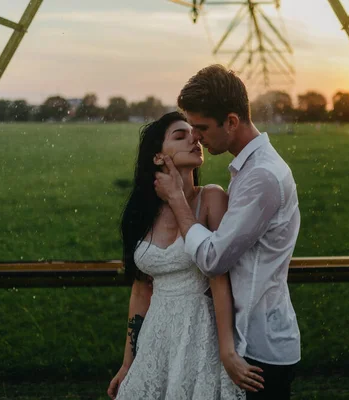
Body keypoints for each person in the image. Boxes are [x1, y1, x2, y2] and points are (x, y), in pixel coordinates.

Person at [154, 64, 301, 399]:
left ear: (232, 122)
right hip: (249, 339)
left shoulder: (262, 176)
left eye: (201, 127)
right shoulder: (249, 170)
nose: (195, 137)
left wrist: (177, 200)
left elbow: (213, 258)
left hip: (259, 348)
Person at [107, 111, 263, 400]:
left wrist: (227, 352)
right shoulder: (139, 214)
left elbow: (220, 279)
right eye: (180, 136)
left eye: (194, 134)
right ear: (157, 157)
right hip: (156, 339)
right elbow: (141, 291)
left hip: (201, 336)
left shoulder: (212, 199)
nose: (194, 139)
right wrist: (128, 363)